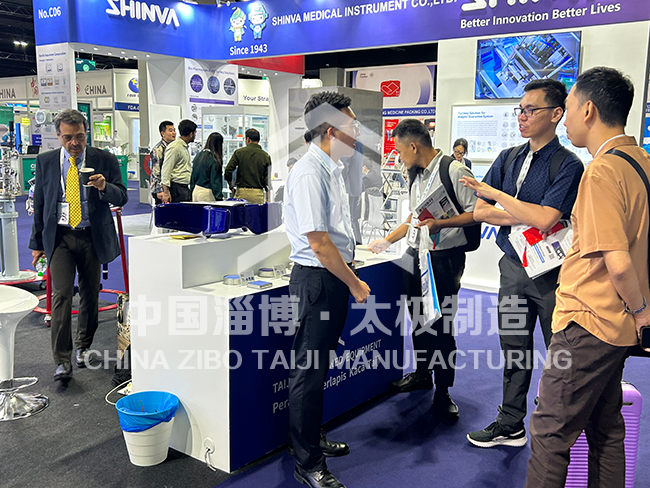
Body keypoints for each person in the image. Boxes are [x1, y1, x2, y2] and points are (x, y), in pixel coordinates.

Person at [526, 67, 649, 487]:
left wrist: (643, 313)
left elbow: (618, 261)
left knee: (550, 431)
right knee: (605, 428)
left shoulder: (600, 171)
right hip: (616, 326)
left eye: (570, 107)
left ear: (589, 110)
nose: (566, 119)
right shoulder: (640, 161)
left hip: (588, 322)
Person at [461, 79, 584, 448]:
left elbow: (547, 219)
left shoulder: (568, 164)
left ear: (556, 114)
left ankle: (557, 426)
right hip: (513, 267)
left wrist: (503, 199)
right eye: (521, 110)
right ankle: (511, 422)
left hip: (552, 276)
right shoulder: (508, 157)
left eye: (531, 110)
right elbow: (480, 211)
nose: (522, 116)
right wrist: (526, 213)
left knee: (559, 351)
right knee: (513, 347)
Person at [284, 91, 370, 488]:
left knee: (317, 368)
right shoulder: (309, 172)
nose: (357, 133)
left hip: (330, 278)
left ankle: (310, 439)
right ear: (331, 130)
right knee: (309, 372)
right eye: (352, 126)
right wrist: (354, 283)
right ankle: (307, 462)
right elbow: (318, 243)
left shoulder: (330, 167)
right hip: (318, 280)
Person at [367, 119, 478, 421]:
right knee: (418, 319)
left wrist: (442, 224)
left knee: (441, 325)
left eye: (400, 150)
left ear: (414, 146)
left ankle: (443, 390)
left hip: (444, 260)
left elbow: (476, 214)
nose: (399, 156)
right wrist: (387, 241)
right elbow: (414, 218)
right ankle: (422, 374)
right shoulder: (415, 174)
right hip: (415, 255)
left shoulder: (454, 171)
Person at [29, 108, 128, 380]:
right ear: (58, 135)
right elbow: (40, 203)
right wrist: (37, 242)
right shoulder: (47, 161)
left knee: (90, 294)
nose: (75, 143)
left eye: (80, 136)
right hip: (60, 237)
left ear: (87, 133)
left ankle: (83, 346)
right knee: (61, 295)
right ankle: (62, 360)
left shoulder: (104, 159)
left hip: (91, 236)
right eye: (68, 137)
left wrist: (104, 187)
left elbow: (122, 197)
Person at [224, 128, 272, 204]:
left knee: (240, 212)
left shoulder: (239, 153)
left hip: (242, 193)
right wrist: (267, 198)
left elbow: (228, 170)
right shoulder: (266, 156)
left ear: (248, 139)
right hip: (257, 194)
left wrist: (231, 187)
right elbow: (267, 181)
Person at [161, 119, 196, 203]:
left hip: (183, 187)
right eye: (195, 133)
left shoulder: (183, 147)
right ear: (191, 134)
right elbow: (166, 170)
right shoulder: (175, 147)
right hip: (176, 188)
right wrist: (166, 193)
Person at [340, 140, 364, 244]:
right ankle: (358, 243)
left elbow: (343, 168)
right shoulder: (359, 145)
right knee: (354, 219)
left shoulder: (348, 144)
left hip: (348, 188)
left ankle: (354, 244)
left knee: (349, 219)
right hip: (356, 187)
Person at [190, 132, 224, 202]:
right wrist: (219, 198)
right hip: (207, 193)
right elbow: (215, 182)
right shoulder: (213, 159)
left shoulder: (198, 155)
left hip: (195, 191)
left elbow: (192, 177)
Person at [149, 120, 176, 204]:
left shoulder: (172, 147)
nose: (174, 133)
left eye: (174, 130)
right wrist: (160, 190)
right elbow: (155, 171)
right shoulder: (158, 149)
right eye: (170, 131)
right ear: (163, 133)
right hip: (160, 190)